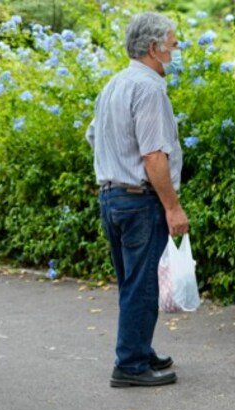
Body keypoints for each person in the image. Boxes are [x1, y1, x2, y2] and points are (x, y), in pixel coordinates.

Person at [86, 12, 188, 387]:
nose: (175, 51)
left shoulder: (114, 84)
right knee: (142, 285)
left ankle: (139, 349)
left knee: (132, 282)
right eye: (173, 44)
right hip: (139, 201)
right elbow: (154, 156)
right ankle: (129, 365)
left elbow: (93, 137)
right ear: (153, 48)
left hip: (112, 197)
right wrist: (173, 207)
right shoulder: (149, 89)